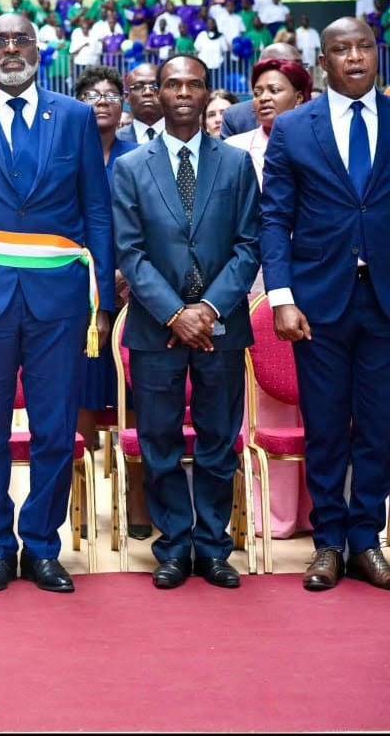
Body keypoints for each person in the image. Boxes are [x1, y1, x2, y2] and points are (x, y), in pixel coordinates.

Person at [0, 14, 113, 594]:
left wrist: (101, 300)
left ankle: (43, 545)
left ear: (40, 49)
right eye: (1, 42)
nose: (12, 50)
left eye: (22, 41)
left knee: (55, 428)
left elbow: (97, 211)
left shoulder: (76, 117)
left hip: (59, 299)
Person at [112, 54, 261, 589]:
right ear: (156, 92)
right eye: (170, 83)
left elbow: (249, 246)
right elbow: (129, 252)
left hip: (221, 324)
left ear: (206, 94)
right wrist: (176, 312)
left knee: (220, 440)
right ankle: (174, 543)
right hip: (157, 327)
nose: (180, 92)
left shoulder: (236, 164)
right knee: (159, 441)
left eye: (192, 84)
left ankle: (214, 544)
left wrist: (208, 310)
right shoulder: (130, 167)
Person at [260, 17, 390, 591]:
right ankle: (329, 542)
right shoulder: (293, 129)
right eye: (342, 49)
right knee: (327, 427)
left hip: (384, 300)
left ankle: (367, 539)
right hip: (317, 304)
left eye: (364, 47)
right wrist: (281, 297)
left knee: (381, 428)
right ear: (324, 62)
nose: (355, 57)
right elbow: (274, 218)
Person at [72, 65, 147, 534]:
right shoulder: (62, 152)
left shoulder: (137, 156)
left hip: (132, 296)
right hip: (74, 295)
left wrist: (127, 273)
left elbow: (152, 225)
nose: (101, 100)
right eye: (91, 94)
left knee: (136, 398)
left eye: (110, 94)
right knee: (77, 397)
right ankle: (76, 508)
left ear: (122, 107)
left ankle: (137, 500)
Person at [224, 59, 313, 184]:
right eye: (257, 93)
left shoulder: (318, 145)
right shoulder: (233, 148)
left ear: (298, 98)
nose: (263, 98)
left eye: (274, 90)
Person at [118, 63, 164, 143]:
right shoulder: (115, 141)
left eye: (155, 86)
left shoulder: (184, 137)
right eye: (138, 87)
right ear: (127, 97)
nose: (148, 92)